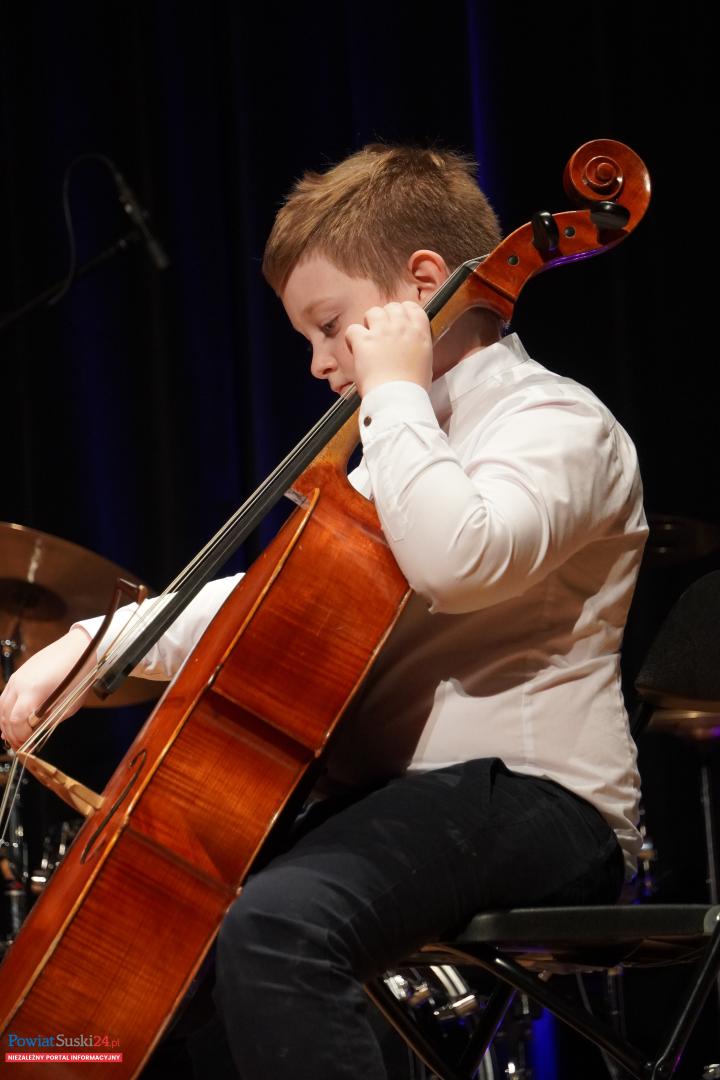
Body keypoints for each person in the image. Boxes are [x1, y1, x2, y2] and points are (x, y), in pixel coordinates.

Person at [0, 144, 647, 1078]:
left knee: (281, 925)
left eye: (331, 327)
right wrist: (93, 645)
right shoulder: (403, 444)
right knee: (164, 965)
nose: (317, 363)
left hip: (541, 798)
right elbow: (270, 599)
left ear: (422, 284)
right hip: (404, 806)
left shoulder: (555, 422)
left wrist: (393, 390)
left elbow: (458, 560)